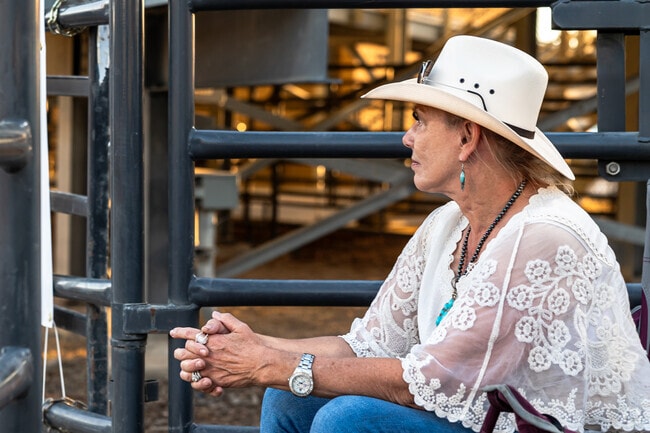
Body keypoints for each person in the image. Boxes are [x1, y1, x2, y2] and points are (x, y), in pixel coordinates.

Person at [170, 35, 650, 433]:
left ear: (467, 137)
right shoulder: (449, 223)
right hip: (483, 418)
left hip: (533, 427)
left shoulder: (542, 235)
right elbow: (369, 346)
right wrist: (254, 350)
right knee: (289, 400)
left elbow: (430, 380)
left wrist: (267, 365)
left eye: (420, 121)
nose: (407, 137)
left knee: (348, 419)